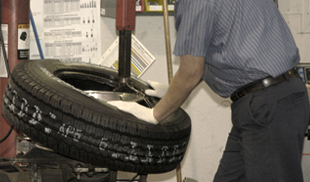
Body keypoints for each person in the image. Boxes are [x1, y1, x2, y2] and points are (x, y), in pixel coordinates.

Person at [108, 0, 310, 181]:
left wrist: (154, 114)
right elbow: (227, 50)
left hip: (265, 106)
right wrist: (172, 92)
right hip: (270, 100)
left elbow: (192, 71)